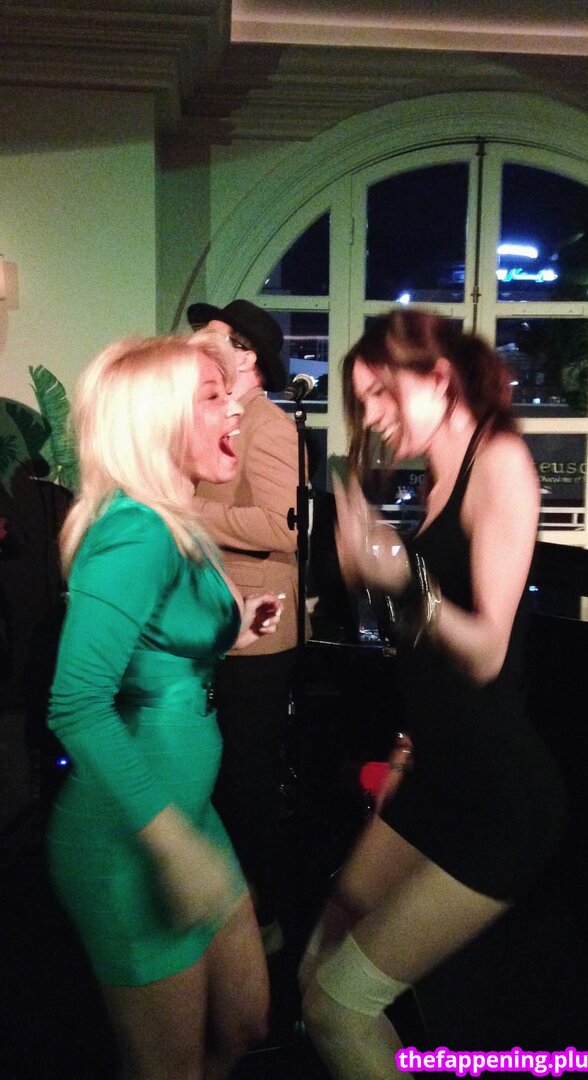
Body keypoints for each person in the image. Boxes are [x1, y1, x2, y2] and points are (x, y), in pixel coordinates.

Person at [299, 310, 565, 1080]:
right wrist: (406, 748)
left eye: (383, 393)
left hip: (497, 800)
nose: (374, 416)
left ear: (440, 378)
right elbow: (429, 649)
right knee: (321, 955)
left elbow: (485, 651)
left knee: (337, 1008)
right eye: (363, 402)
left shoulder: (500, 461)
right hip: (436, 775)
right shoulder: (436, 477)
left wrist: (400, 575)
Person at [46, 334, 284, 1080]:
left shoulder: (175, 516)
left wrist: (233, 630)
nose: (235, 409)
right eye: (211, 397)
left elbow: (157, 649)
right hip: (131, 840)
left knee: (245, 1024)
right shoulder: (135, 534)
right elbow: (76, 705)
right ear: (155, 423)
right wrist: (171, 844)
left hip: (191, 816)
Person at [187, 299, 300, 954]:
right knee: (224, 776)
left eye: (214, 339)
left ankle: (264, 921)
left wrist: (189, 512)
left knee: (248, 780)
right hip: (218, 622)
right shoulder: (223, 418)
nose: (198, 347)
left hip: (259, 631)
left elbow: (283, 527)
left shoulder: (269, 425)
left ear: (247, 355)